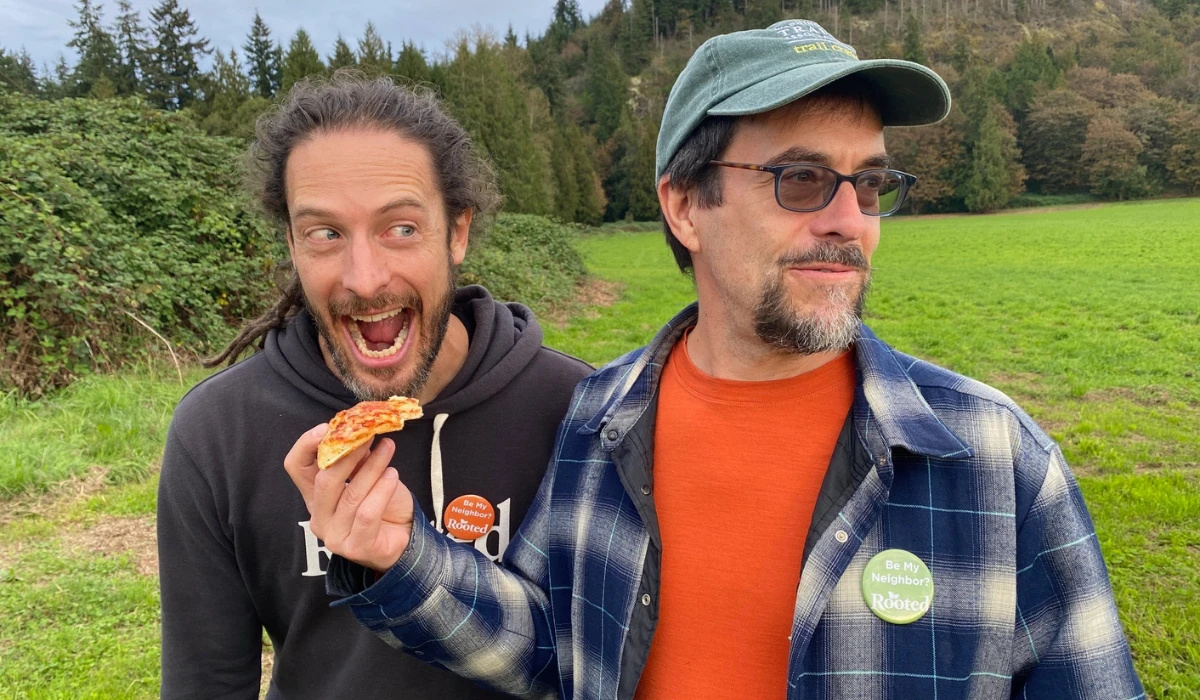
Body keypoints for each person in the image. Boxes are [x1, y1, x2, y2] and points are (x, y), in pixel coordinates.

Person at [285, 21, 1144, 700]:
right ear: (686, 204)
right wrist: (400, 557)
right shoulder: (599, 420)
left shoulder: (994, 460)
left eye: (870, 183)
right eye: (801, 180)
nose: (848, 219)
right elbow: (554, 648)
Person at [156, 75, 591, 700]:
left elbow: (598, 660)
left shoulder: (574, 408)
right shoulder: (219, 431)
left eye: (401, 228)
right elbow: (206, 684)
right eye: (325, 234)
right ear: (293, 245)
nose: (364, 279)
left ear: (458, 232)